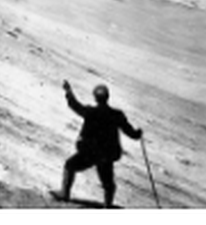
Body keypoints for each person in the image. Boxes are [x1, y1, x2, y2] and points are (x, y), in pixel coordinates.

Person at [51, 80, 142, 208]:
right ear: (107, 97)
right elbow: (130, 132)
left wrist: (68, 91)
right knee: (108, 183)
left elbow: (75, 106)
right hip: (106, 155)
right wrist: (137, 134)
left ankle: (64, 193)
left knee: (70, 165)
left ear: (95, 97)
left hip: (89, 153)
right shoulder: (116, 115)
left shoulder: (91, 112)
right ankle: (107, 205)